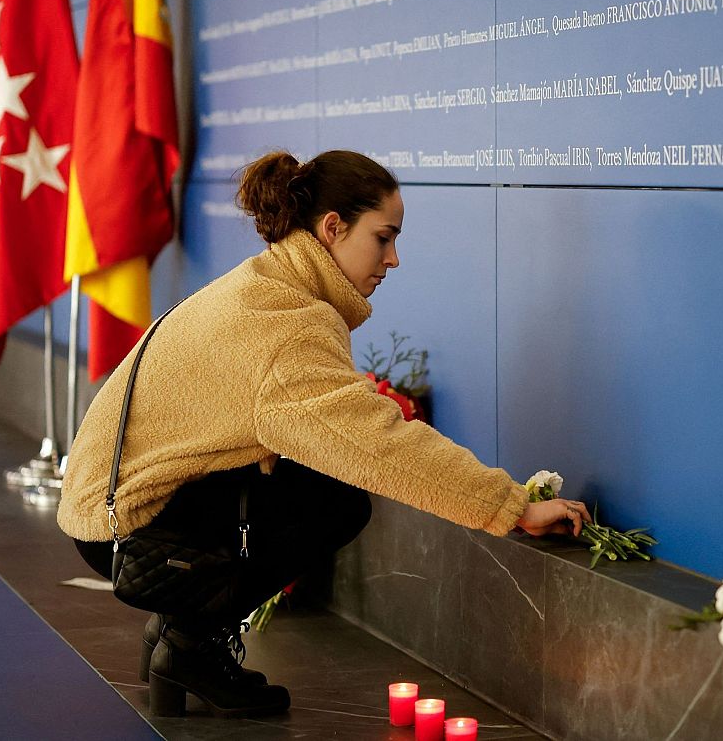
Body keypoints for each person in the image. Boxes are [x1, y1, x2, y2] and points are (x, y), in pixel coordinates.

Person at [57, 149, 592, 718]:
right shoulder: (288, 327)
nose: (394, 258)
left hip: (111, 503)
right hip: (126, 527)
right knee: (333, 503)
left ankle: (173, 632)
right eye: (383, 238)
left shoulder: (267, 282)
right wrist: (512, 506)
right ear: (333, 227)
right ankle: (191, 646)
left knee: (306, 478)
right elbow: (381, 445)